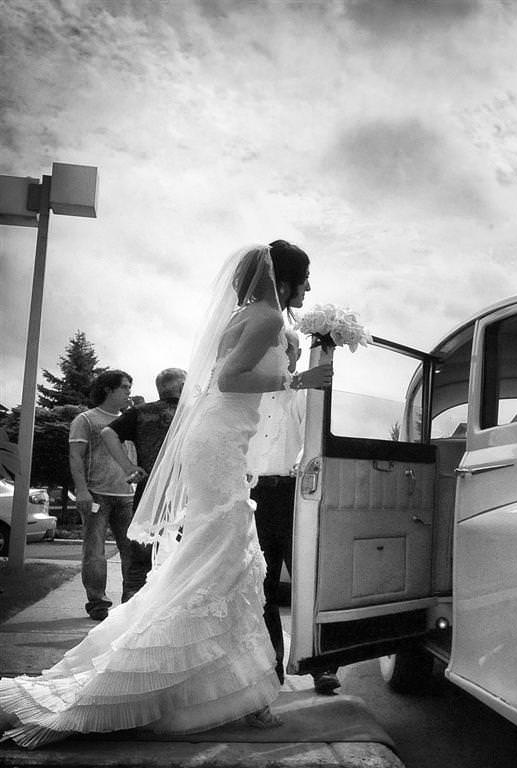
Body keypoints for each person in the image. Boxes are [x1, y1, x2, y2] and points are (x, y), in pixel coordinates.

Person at [0, 242, 332, 747]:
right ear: (283, 281)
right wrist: (297, 377)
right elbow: (230, 377)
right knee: (226, 558)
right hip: (219, 442)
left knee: (225, 559)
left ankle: (236, 691)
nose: (309, 287)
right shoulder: (264, 317)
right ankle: (209, 687)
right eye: (305, 278)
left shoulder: (256, 314)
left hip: (221, 440)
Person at [247, 310, 340, 695]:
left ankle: (322, 666)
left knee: (309, 579)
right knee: (262, 585)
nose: (292, 356)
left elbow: (315, 432)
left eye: (297, 350)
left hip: (294, 493)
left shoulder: (304, 391)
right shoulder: (247, 392)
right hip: (252, 496)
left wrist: (326, 346)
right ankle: (271, 667)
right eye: (287, 349)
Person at [99, 367, 187, 601]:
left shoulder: (140, 412)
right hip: (185, 494)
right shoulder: (192, 412)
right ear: (181, 387)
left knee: (141, 558)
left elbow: (107, 433)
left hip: (149, 492)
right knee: (181, 557)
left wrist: (129, 467)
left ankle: (131, 610)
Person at [68, 370, 136, 621]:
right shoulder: (86, 420)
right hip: (96, 494)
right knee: (95, 551)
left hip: (127, 495)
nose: (129, 391)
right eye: (125, 387)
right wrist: (82, 491)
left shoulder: (129, 418)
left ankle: (131, 602)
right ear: (109, 389)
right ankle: (98, 604)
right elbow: (75, 456)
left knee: (132, 551)